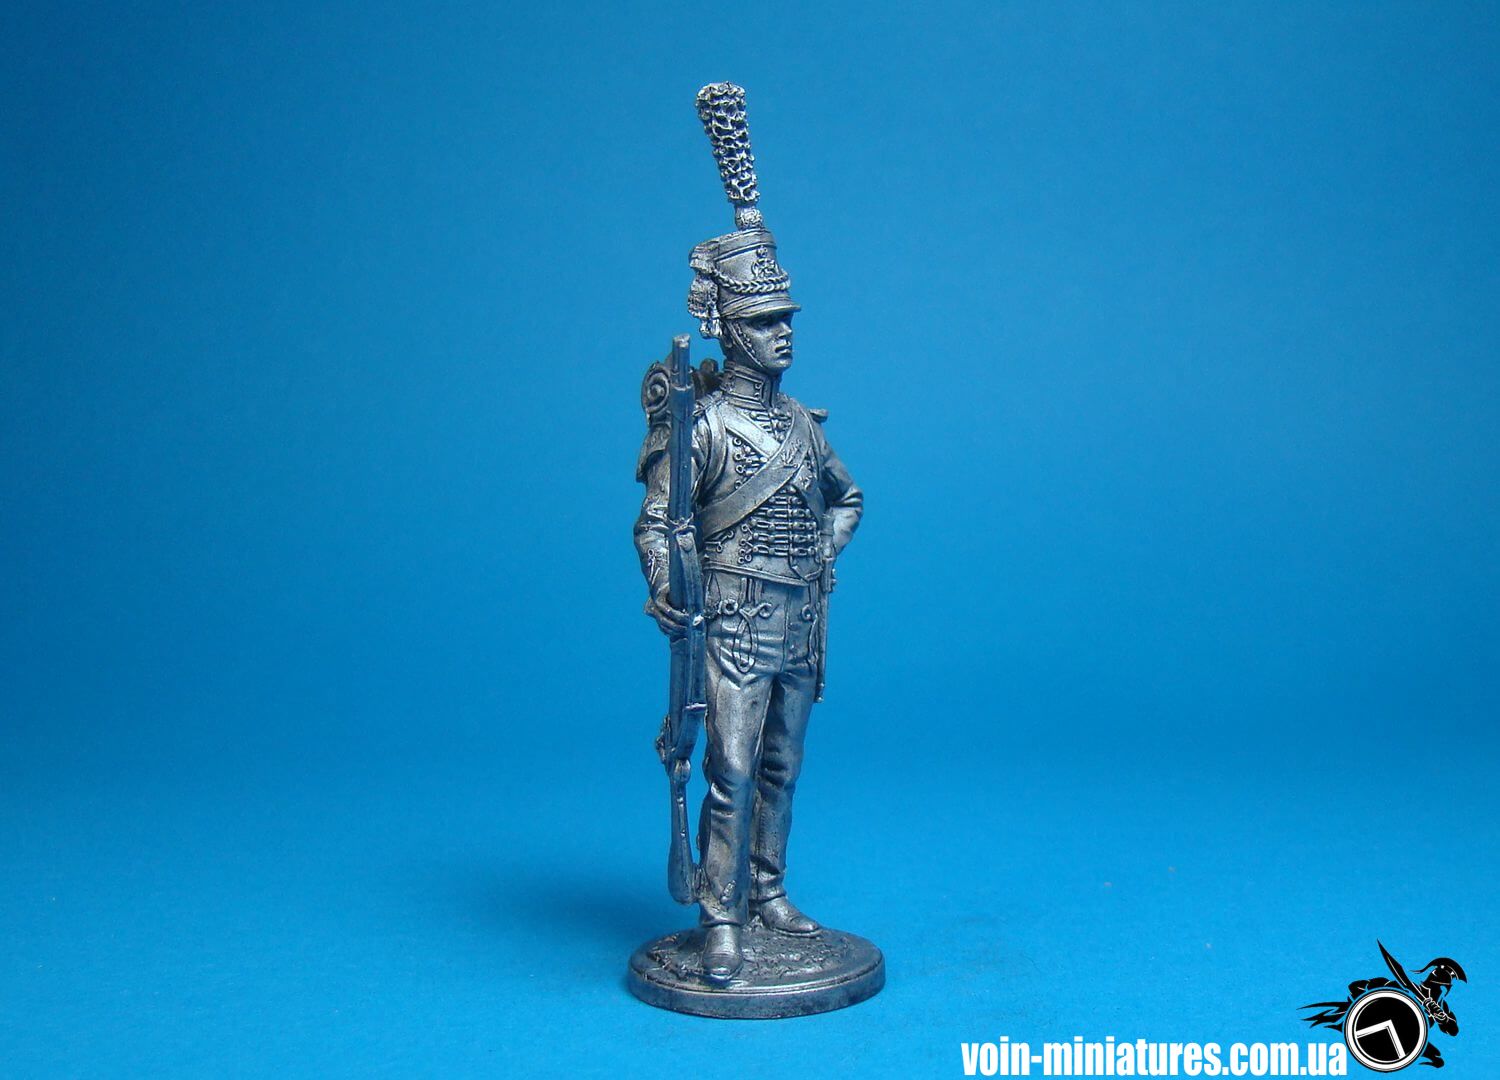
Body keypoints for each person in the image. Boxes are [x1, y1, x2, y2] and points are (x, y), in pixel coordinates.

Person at [633, 222, 862, 981]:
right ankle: (721, 918)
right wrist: (666, 585)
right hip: (732, 622)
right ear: (730, 331)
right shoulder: (701, 427)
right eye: (766, 321)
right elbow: (658, 524)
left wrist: (822, 549)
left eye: (785, 319)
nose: (783, 333)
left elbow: (848, 498)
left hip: (800, 624)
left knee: (780, 768)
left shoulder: (801, 426)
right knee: (729, 771)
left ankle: (767, 891)